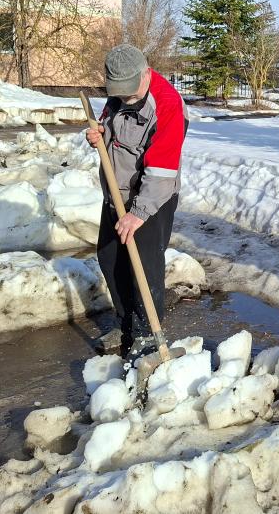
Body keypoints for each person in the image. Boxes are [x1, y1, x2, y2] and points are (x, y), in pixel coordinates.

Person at [86, 44, 187, 355]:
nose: (124, 99)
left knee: (143, 266)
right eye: (118, 93)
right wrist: (98, 136)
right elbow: (111, 132)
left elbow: (161, 171)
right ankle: (124, 323)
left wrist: (138, 213)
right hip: (116, 194)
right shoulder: (121, 89)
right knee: (110, 257)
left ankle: (146, 333)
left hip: (151, 199)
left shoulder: (168, 105)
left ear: (146, 74)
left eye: (130, 92)